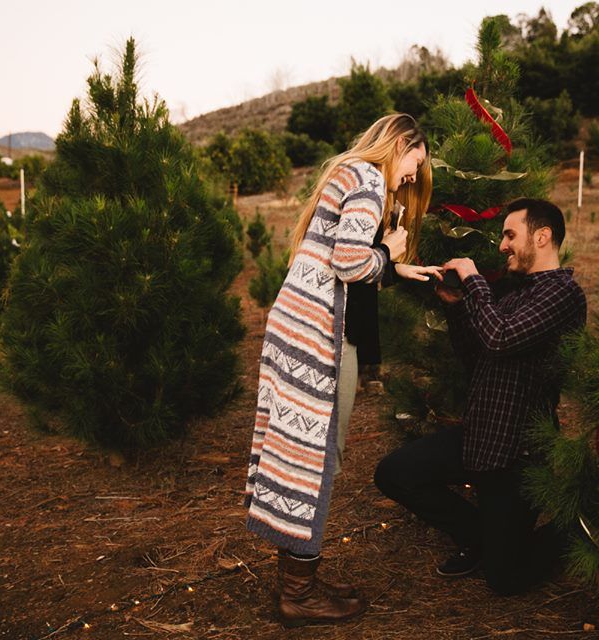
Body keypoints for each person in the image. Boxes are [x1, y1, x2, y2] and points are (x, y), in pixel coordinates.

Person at [243, 113, 440, 627]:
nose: (412, 178)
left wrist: (393, 266)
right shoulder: (371, 178)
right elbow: (352, 263)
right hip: (318, 337)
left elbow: (334, 255)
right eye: (415, 164)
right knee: (317, 455)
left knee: (297, 451)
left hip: (294, 324)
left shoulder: (347, 172)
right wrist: (387, 251)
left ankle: (297, 581)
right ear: (400, 144)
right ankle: (298, 594)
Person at [373, 198, 587, 596]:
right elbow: (479, 358)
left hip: (517, 453)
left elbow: (501, 338)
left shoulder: (563, 294)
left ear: (542, 237)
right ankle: (479, 535)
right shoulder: (512, 292)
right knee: (394, 473)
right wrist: (457, 310)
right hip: (480, 437)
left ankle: (576, 527)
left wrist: (473, 281)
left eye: (510, 234)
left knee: (506, 579)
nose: (502, 245)